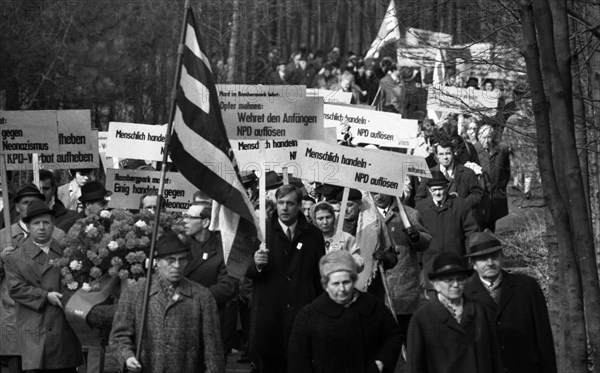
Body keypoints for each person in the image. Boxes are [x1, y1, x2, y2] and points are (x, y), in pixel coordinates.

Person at [110, 232, 225, 373]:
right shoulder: (136, 292)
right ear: (158, 262)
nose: (177, 265)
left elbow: (212, 349)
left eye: (182, 260)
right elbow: (119, 336)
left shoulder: (202, 296)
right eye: (170, 260)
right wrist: (127, 357)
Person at [247, 184, 325, 373]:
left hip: (302, 312)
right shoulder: (261, 231)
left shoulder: (313, 235)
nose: (284, 208)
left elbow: (319, 276)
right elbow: (242, 269)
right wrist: (256, 263)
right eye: (281, 202)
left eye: (290, 203)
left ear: (299, 206)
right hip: (269, 317)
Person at [287, 250, 402, 373]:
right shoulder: (309, 315)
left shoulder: (371, 304)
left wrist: (381, 362)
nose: (342, 289)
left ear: (353, 280)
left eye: (346, 282)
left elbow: (393, 335)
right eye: (335, 283)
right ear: (326, 285)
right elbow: (298, 359)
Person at [4, 200, 83, 372]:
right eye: (36, 223)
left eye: (46, 223)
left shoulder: (67, 251)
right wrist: (45, 296)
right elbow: (16, 289)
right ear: (28, 226)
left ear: (53, 225)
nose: (41, 227)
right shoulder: (15, 257)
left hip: (64, 329)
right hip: (35, 328)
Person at [464, 230, 557, 373]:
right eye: (483, 259)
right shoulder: (464, 294)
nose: (490, 263)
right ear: (473, 263)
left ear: (502, 258)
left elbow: (543, 338)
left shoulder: (527, 287)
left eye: (494, 257)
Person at [406, 252, 503, 373]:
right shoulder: (422, 319)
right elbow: (414, 367)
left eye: (460, 279)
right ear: (436, 285)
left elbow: (495, 356)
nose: (456, 284)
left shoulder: (480, 310)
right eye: (449, 280)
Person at [372, 191, 430, 347]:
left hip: (404, 288)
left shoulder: (408, 214)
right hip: (377, 291)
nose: (378, 197)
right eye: (374, 193)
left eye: (382, 192)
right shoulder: (366, 216)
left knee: (408, 340)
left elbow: (426, 240)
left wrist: (417, 237)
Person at [183, 201, 239, 355]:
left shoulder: (224, 249)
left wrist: (194, 297)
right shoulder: (179, 245)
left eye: (190, 218)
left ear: (206, 222)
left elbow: (228, 286)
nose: (185, 221)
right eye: (184, 216)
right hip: (181, 321)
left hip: (212, 321)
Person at [415, 172, 478, 294]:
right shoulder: (420, 208)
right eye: (434, 190)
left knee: (457, 298)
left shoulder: (460, 205)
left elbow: (471, 233)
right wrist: (419, 266)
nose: (438, 193)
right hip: (430, 265)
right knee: (435, 306)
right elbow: (417, 240)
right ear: (428, 189)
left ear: (446, 188)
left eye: (441, 189)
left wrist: (471, 257)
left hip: (456, 263)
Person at [338, 189, 394, 296]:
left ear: (359, 205)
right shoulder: (335, 225)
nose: (345, 209)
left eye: (349, 205)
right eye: (342, 205)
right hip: (341, 286)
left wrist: (385, 257)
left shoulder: (375, 224)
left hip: (371, 287)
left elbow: (392, 256)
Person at [415, 140, 483, 210]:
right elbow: (419, 198)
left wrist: (463, 204)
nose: (445, 157)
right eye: (441, 154)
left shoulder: (467, 172)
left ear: (453, 154)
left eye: (448, 153)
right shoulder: (428, 173)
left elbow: (477, 194)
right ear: (436, 156)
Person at [474, 124, 511, 232]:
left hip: (495, 194)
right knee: (480, 224)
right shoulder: (474, 150)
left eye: (489, 137)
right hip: (480, 196)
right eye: (483, 137)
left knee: (491, 223)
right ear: (478, 137)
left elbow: (506, 171)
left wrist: (501, 187)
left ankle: (490, 244)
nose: (486, 141)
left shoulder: (502, 149)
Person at [309, 201, 364, 271]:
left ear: (334, 217)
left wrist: (345, 261)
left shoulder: (346, 238)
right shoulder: (308, 239)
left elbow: (359, 264)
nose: (325, 222)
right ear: (314, 220)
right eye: (320, 219)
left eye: (328, 217)